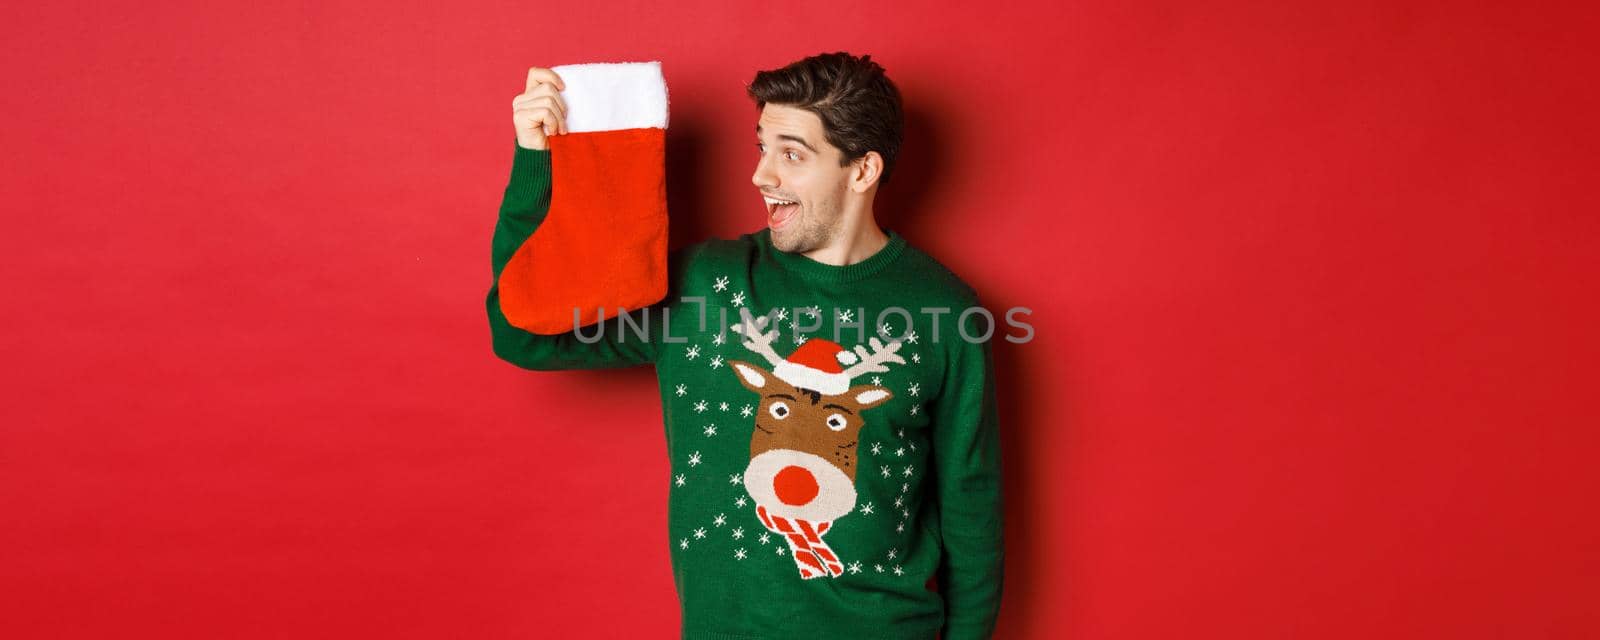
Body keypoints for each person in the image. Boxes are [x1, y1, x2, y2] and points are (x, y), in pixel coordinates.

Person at [489, 51, 1005, 640]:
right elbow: (525, 332)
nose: (762, 175)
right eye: (762, 146)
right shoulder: (706, 286)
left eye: (791, 153)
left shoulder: (945, 315)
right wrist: (537, 163)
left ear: (861, 171)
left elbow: (973, 515)